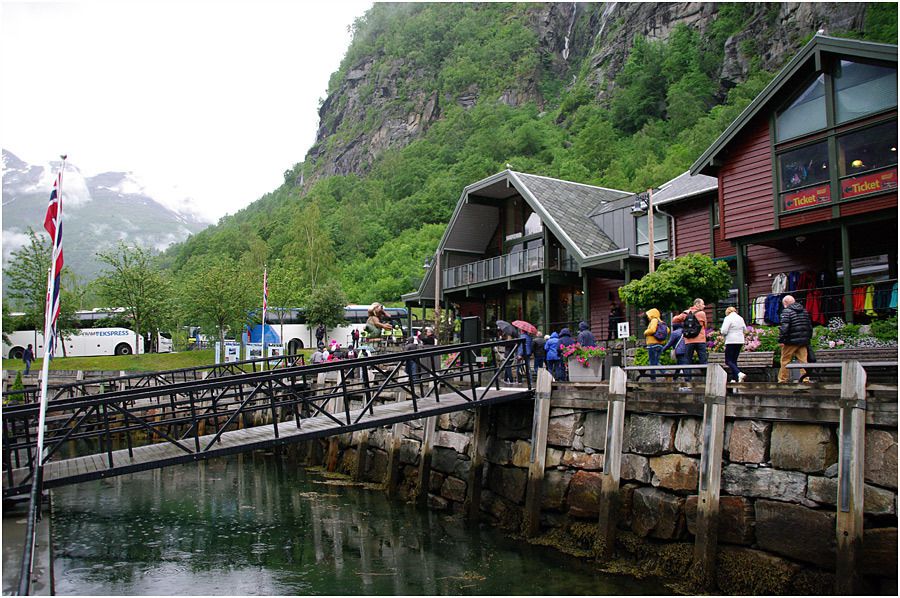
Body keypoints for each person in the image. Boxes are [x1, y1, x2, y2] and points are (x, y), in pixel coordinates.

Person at [778, 295, 813, 383]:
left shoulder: (786, 311)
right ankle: (805, 379)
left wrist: (781, 339)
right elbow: (809, 326)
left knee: (785, 360)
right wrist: (808, 338)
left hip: (791, 341)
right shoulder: (804, 311)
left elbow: (784, 327)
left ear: (785, 303)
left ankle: (783, 380)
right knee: (803, 361)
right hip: (803, 341)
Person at [672, 298, 708, 379]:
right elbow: (705, 326)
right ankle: (706, 379)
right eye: (702, 304)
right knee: (703, 360)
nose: (704, 306)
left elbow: (674, 320)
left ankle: (688, 380)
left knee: (687, 360)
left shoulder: (686, 313)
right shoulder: (702, 313)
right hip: (700, 340)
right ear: (697, 304)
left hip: (689, 341)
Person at [721, 306, 748, 383]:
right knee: (734, 360)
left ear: (727, 312)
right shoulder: (740, 318)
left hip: (731, 340)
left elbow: (724, 331)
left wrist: (724, 335)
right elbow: (745, 330)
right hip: (740, 341)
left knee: (728, 360)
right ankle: (734, 378)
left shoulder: (728, 318)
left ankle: (739, 373)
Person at [643, 309, 666, 380]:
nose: (647, 316)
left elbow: (652, 330)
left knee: (653, 363)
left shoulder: (654, 320)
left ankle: (663, 374)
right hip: (660, 344)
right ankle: (663, 374)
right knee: (655, 362)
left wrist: (645, 332)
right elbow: (667, 330)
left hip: (652, 344)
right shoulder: (661, 321)